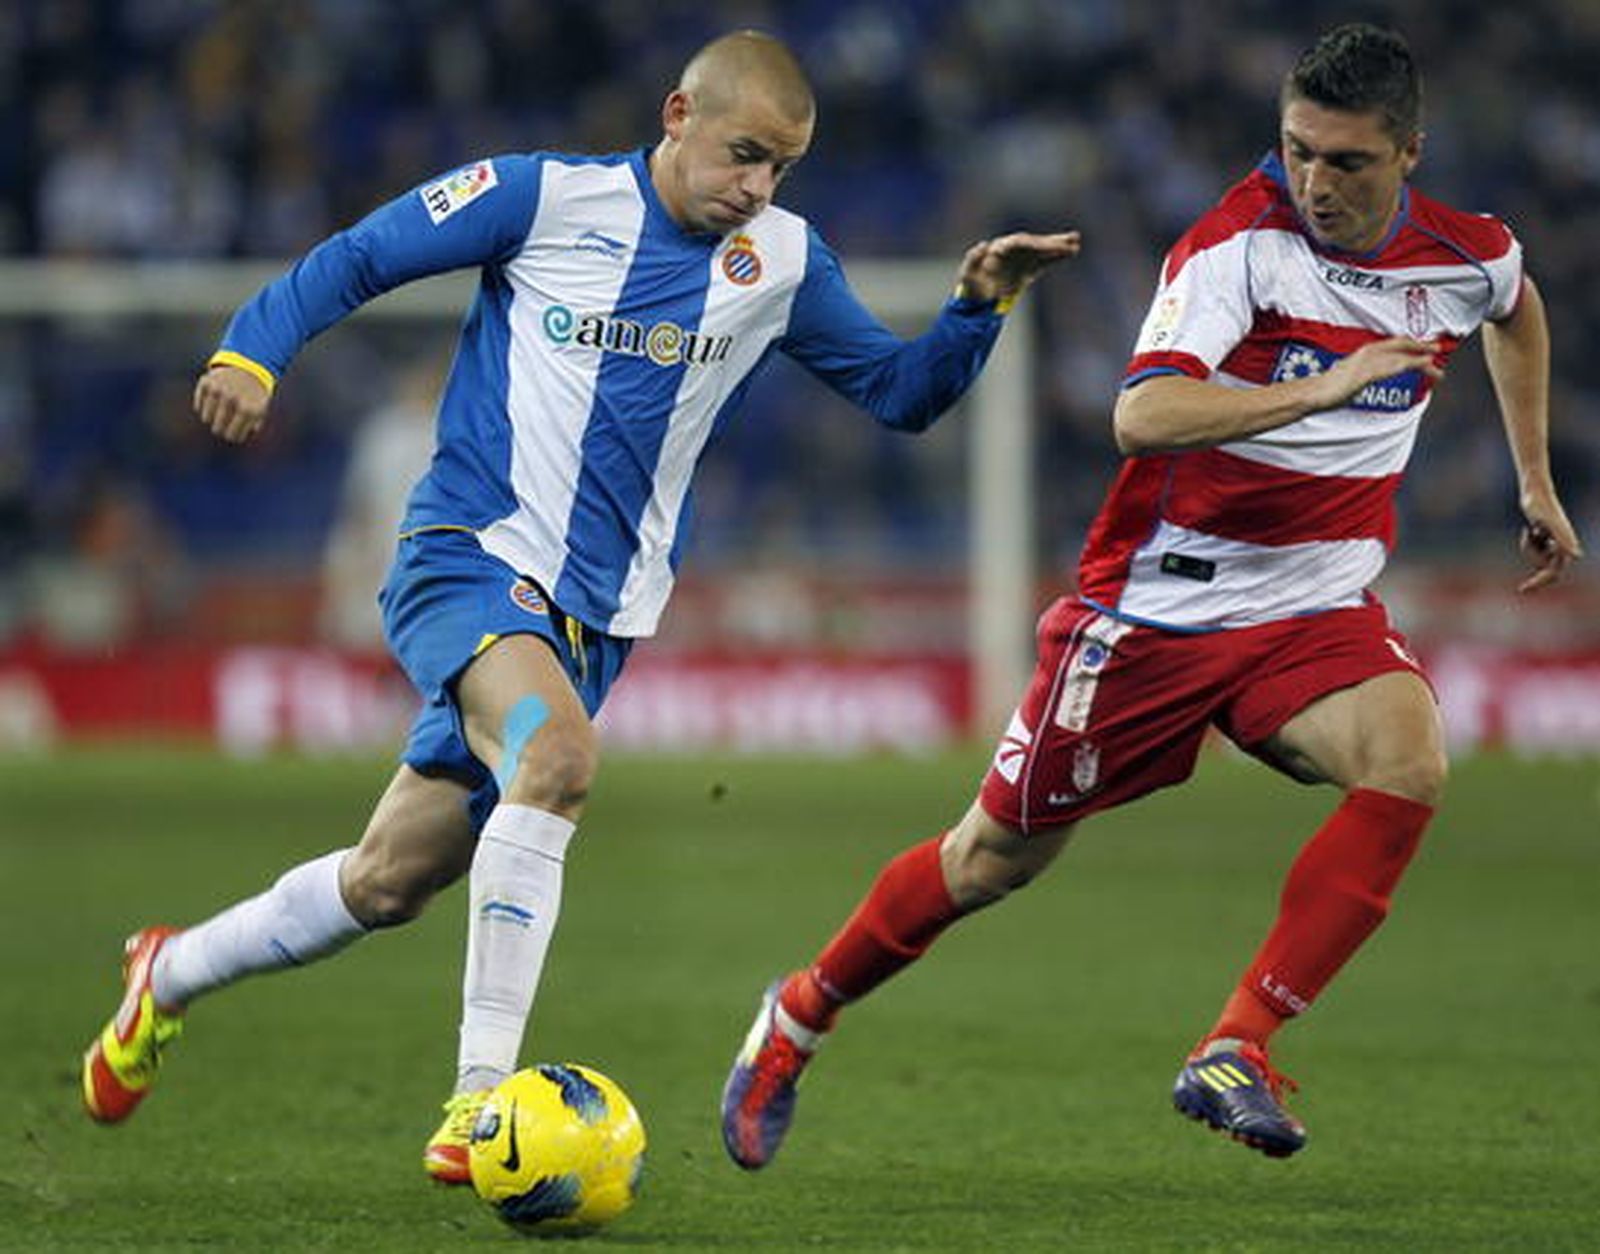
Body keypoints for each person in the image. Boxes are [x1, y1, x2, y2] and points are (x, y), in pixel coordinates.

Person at [78, 30, 1079, 1185]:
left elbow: (900, 399)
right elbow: (359, 256)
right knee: (558, 758)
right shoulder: (540, 196)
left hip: (596, 622)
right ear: (676, 115)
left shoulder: (785, 264)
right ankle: (476, 1106)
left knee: (388, 881)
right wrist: (253, 353)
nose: (756, 188)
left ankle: (171, 971)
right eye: (743, 155)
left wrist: (976, 309)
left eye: (781, 170)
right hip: (466, 551)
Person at [720, 22, 1583, 1169]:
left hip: (1313, 604)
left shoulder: (1463, 253)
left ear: (1408, 153)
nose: (1315, 183)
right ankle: (796, 1015)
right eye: (1297, 152)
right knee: (991, 861)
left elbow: (1515, 307)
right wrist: (1328, 382)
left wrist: (1533, 477)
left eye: (1346, 162)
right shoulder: (1235, 248)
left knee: (1409, 758)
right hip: (1158, 611)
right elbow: (1143, 415)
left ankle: (1237, 1044)